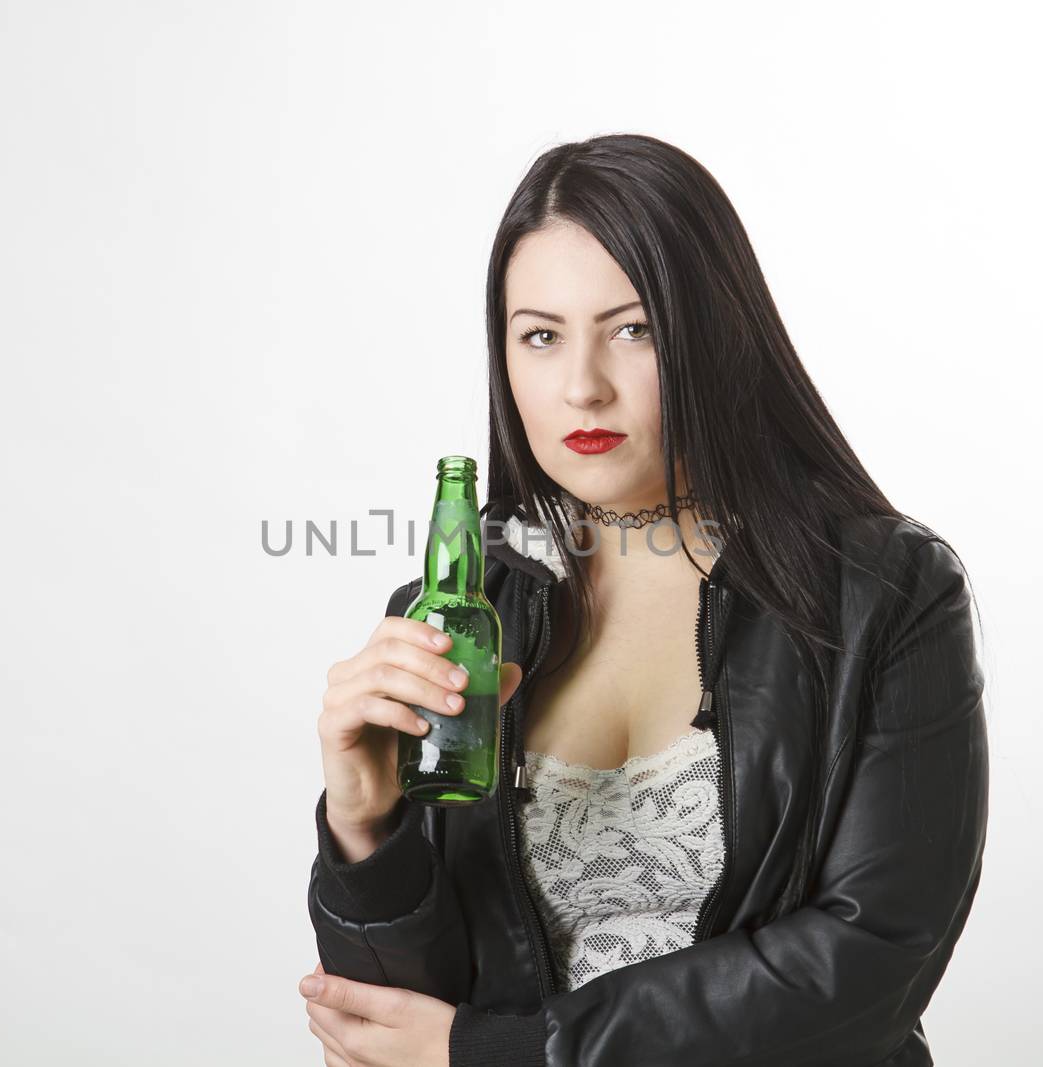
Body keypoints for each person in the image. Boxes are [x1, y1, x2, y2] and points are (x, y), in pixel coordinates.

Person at [300, 133, 989, 1067]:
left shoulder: (885, 595)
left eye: (633, 329)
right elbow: (387, 1024)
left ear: (716, 331)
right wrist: (363, 819)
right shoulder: (462, 611)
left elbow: (872, 959)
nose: (582, 385)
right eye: (540, 335)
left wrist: (514, 1054)